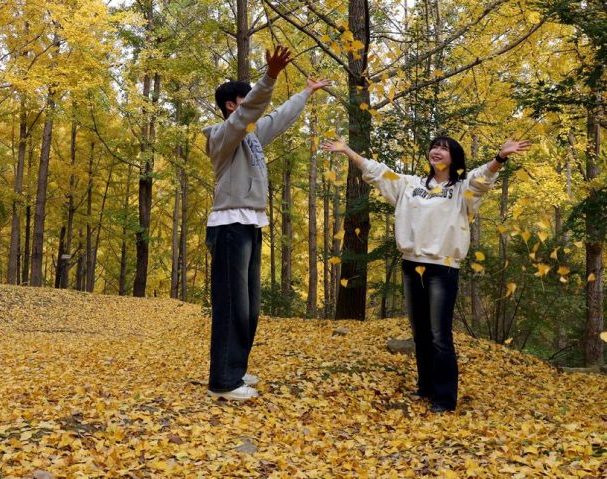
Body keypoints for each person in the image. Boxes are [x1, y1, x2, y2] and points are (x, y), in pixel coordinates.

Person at [322, 135, 531, 412]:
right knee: (420, 332)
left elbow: (483, 178)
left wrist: (500, 158)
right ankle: (426, 387)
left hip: (442, 267)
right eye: (434, 146)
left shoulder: (461, 189)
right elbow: (377, 171)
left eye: (444, 148)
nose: (437, 151)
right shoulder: (411, 185)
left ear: (453, 158)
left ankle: (445, 398)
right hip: (411, 264)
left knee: (439, 334)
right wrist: (348, 150)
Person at [202, 46, 330, 400]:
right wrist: (270, 76)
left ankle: (236, 369)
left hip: (252, 224)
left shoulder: (254, 138)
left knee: (250, 305)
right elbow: (253, 111)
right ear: (233, 105)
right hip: (229, 225)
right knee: (232, 304)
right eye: (247, 100)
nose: (256, 107)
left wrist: (305, 92)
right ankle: (223, 382)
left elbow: (280, 117)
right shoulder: (222, 136)